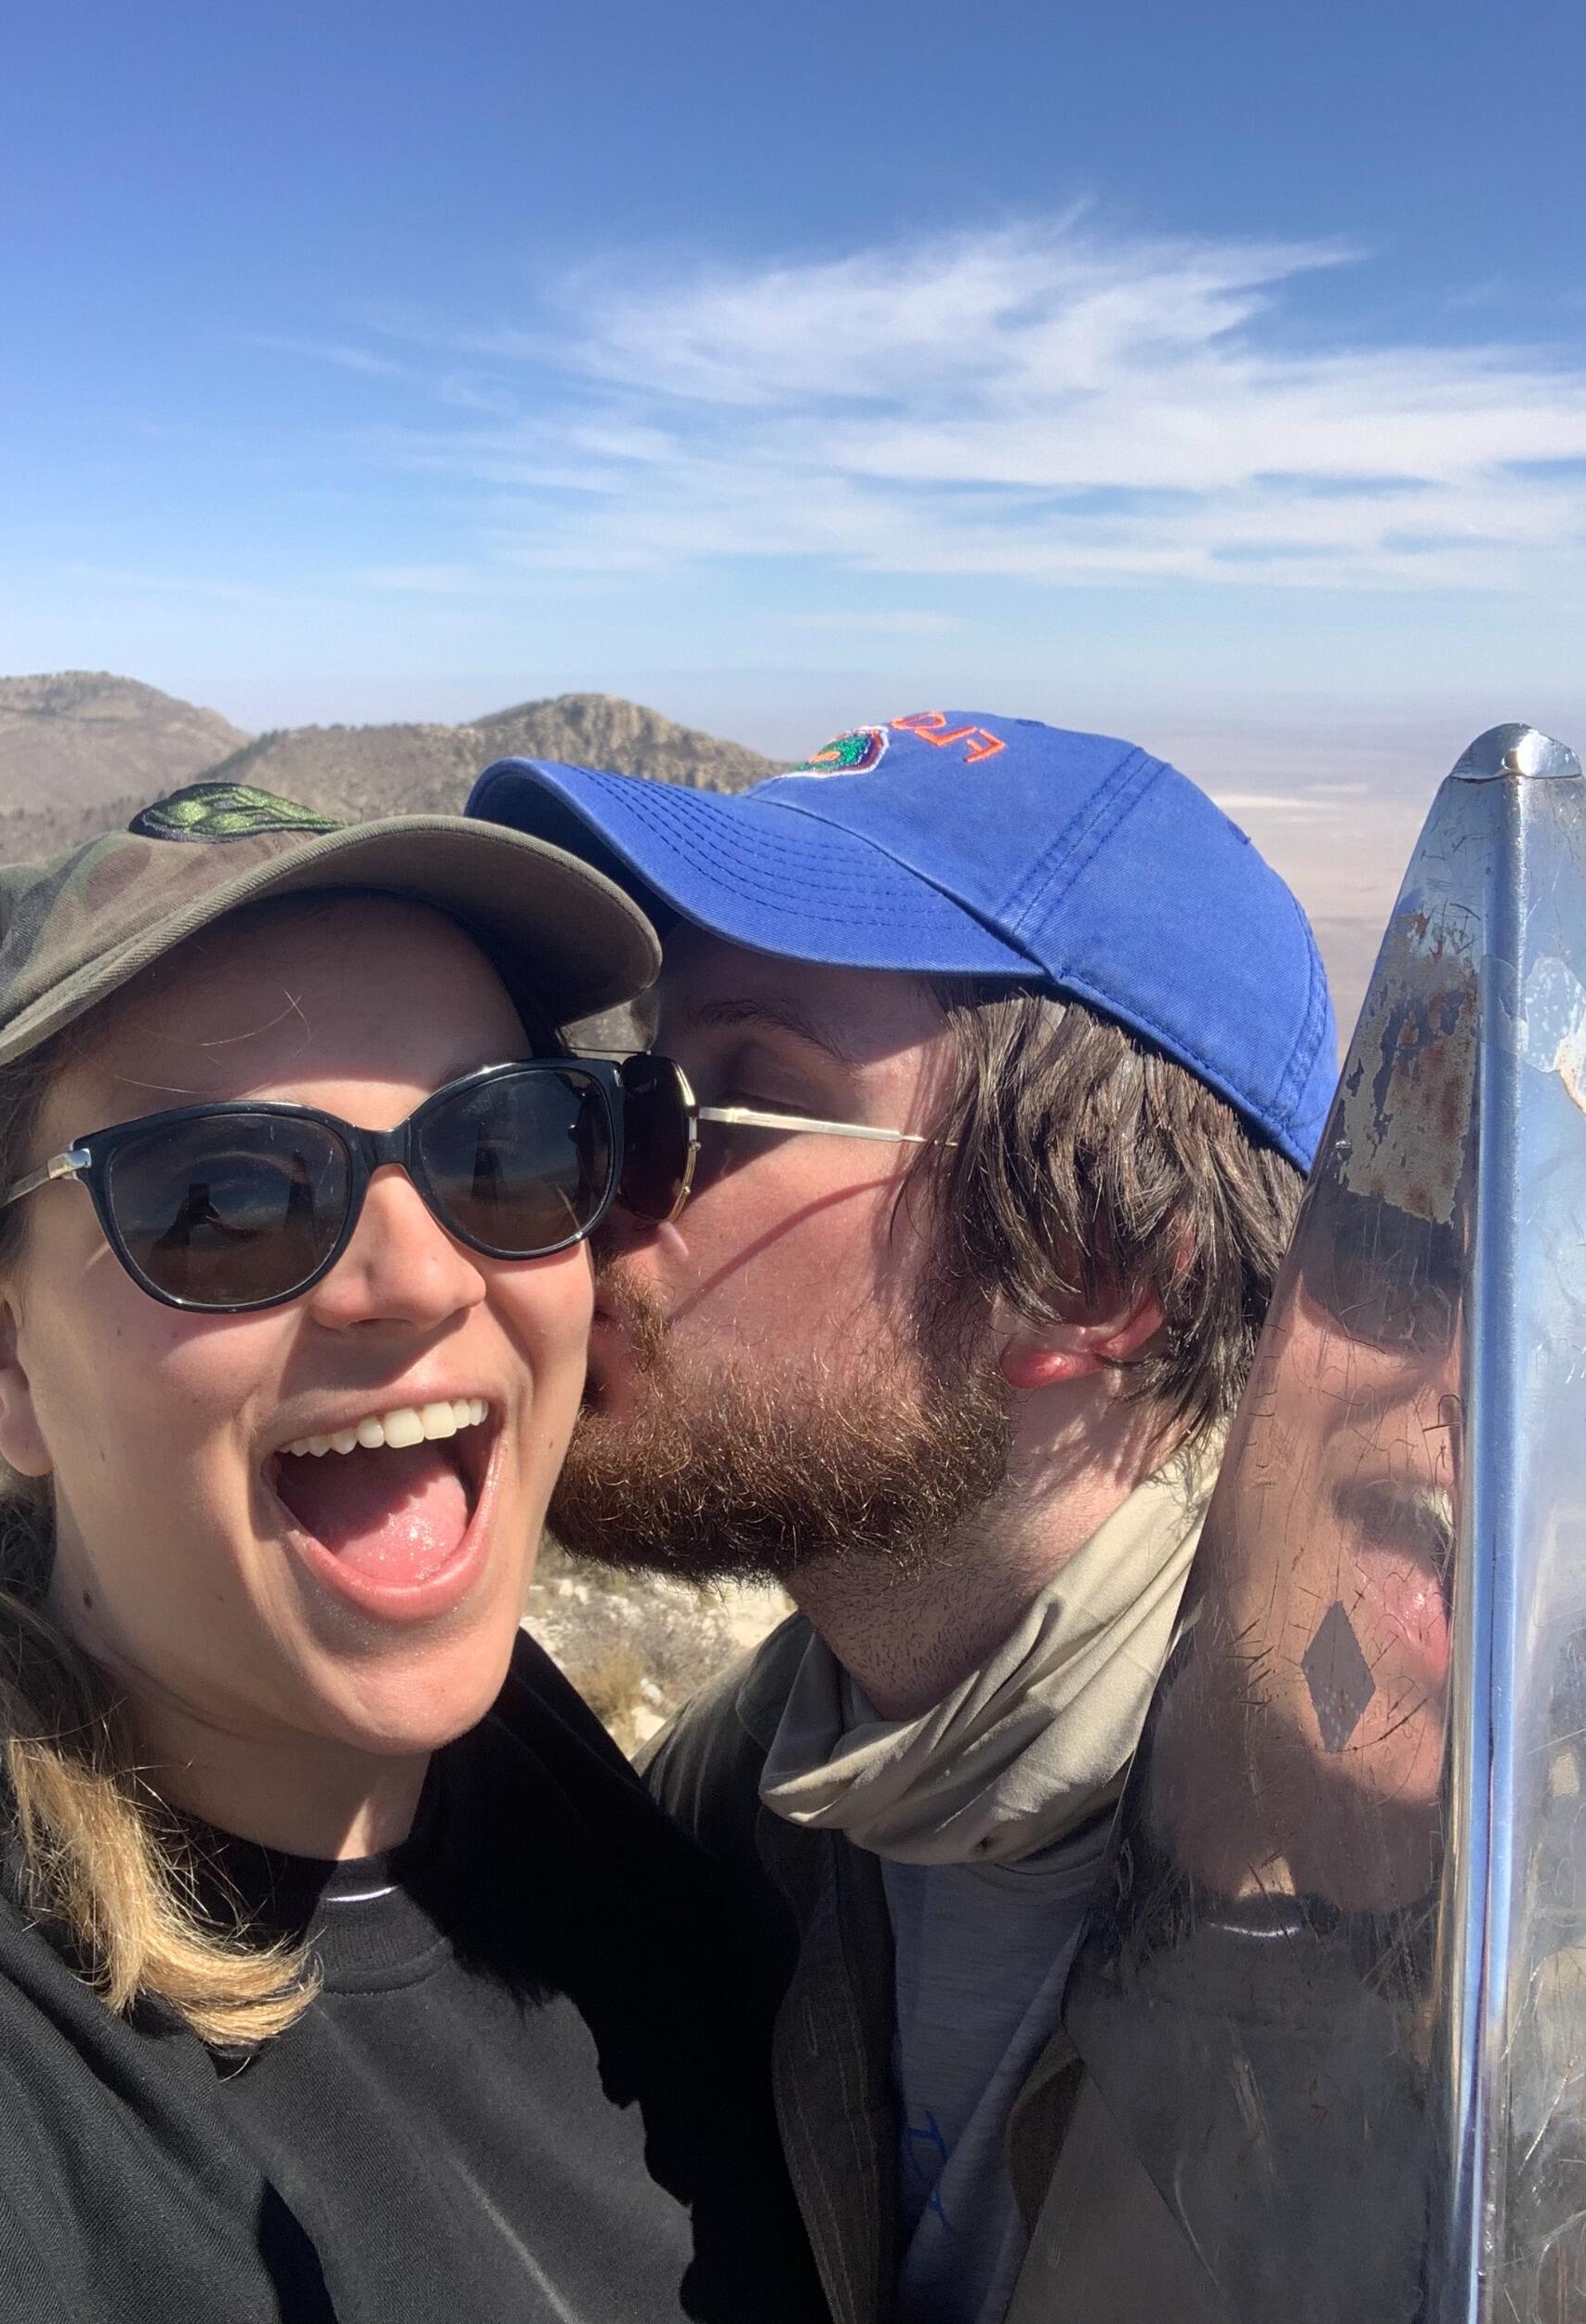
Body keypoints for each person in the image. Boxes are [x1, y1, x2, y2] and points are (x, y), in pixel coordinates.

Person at [0, 780, 825, 2324]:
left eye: (506, 1145)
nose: (421, 1275)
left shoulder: (517, 1751)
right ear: (8, 1362)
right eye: (225, 1200)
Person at [468, 709, 1338, 2324]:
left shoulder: (1418, 1940)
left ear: (1089, 1272)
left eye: (723, 1107)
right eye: (619, 1091)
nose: (593, 1183)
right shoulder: (746, 1812)